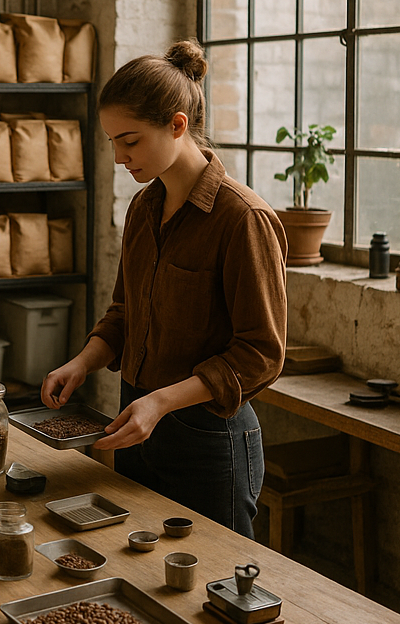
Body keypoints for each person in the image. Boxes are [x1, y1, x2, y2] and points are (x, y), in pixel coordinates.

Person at [40, 39, 287, 538]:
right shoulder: (144, 209)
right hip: (136, 425)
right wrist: (83, 361)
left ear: (177, 125)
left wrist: (163, 401)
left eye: (129, 141)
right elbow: (125, 311)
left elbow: (260, 353)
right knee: (140, 570)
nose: (117, 157)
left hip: (208, 441)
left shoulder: (242, 219)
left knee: (216, 588)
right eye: (112, 142)